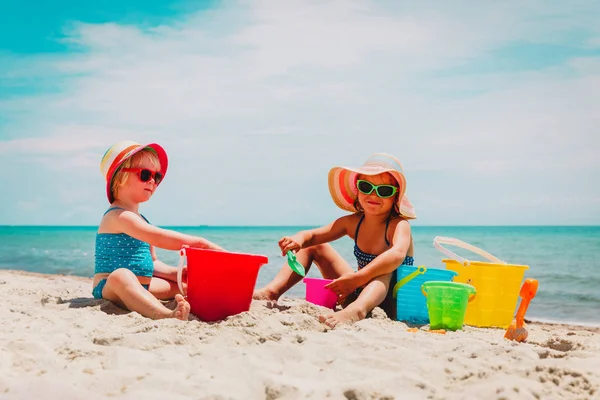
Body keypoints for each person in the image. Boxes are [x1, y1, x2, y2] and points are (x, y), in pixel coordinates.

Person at [254, 153, 416, 328]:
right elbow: (314, 236)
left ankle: (357, 310)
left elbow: (397, 254)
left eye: (384, 190)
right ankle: (272, 292)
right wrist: (298, 239)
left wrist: (358, 278)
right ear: (357, 189)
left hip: (393, 303)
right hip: (356, 293)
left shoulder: (398, 225)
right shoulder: (353, 223)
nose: (374, 195)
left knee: (385, 269)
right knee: (314, 247)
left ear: (395, 196)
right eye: (366, 187)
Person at [93, 141, 224, 320]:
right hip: (111, 287)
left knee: (188, 286)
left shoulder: (141, 219)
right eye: (145, 174)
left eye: (157, 176)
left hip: (145, 286)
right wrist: (201, 243)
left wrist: (176, 273)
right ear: (120, 178)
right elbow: (161, 238)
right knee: (121, 276)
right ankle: (164, 315)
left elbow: (153, 263)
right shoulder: (119, 216)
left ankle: (234, 297)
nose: (152, 181)